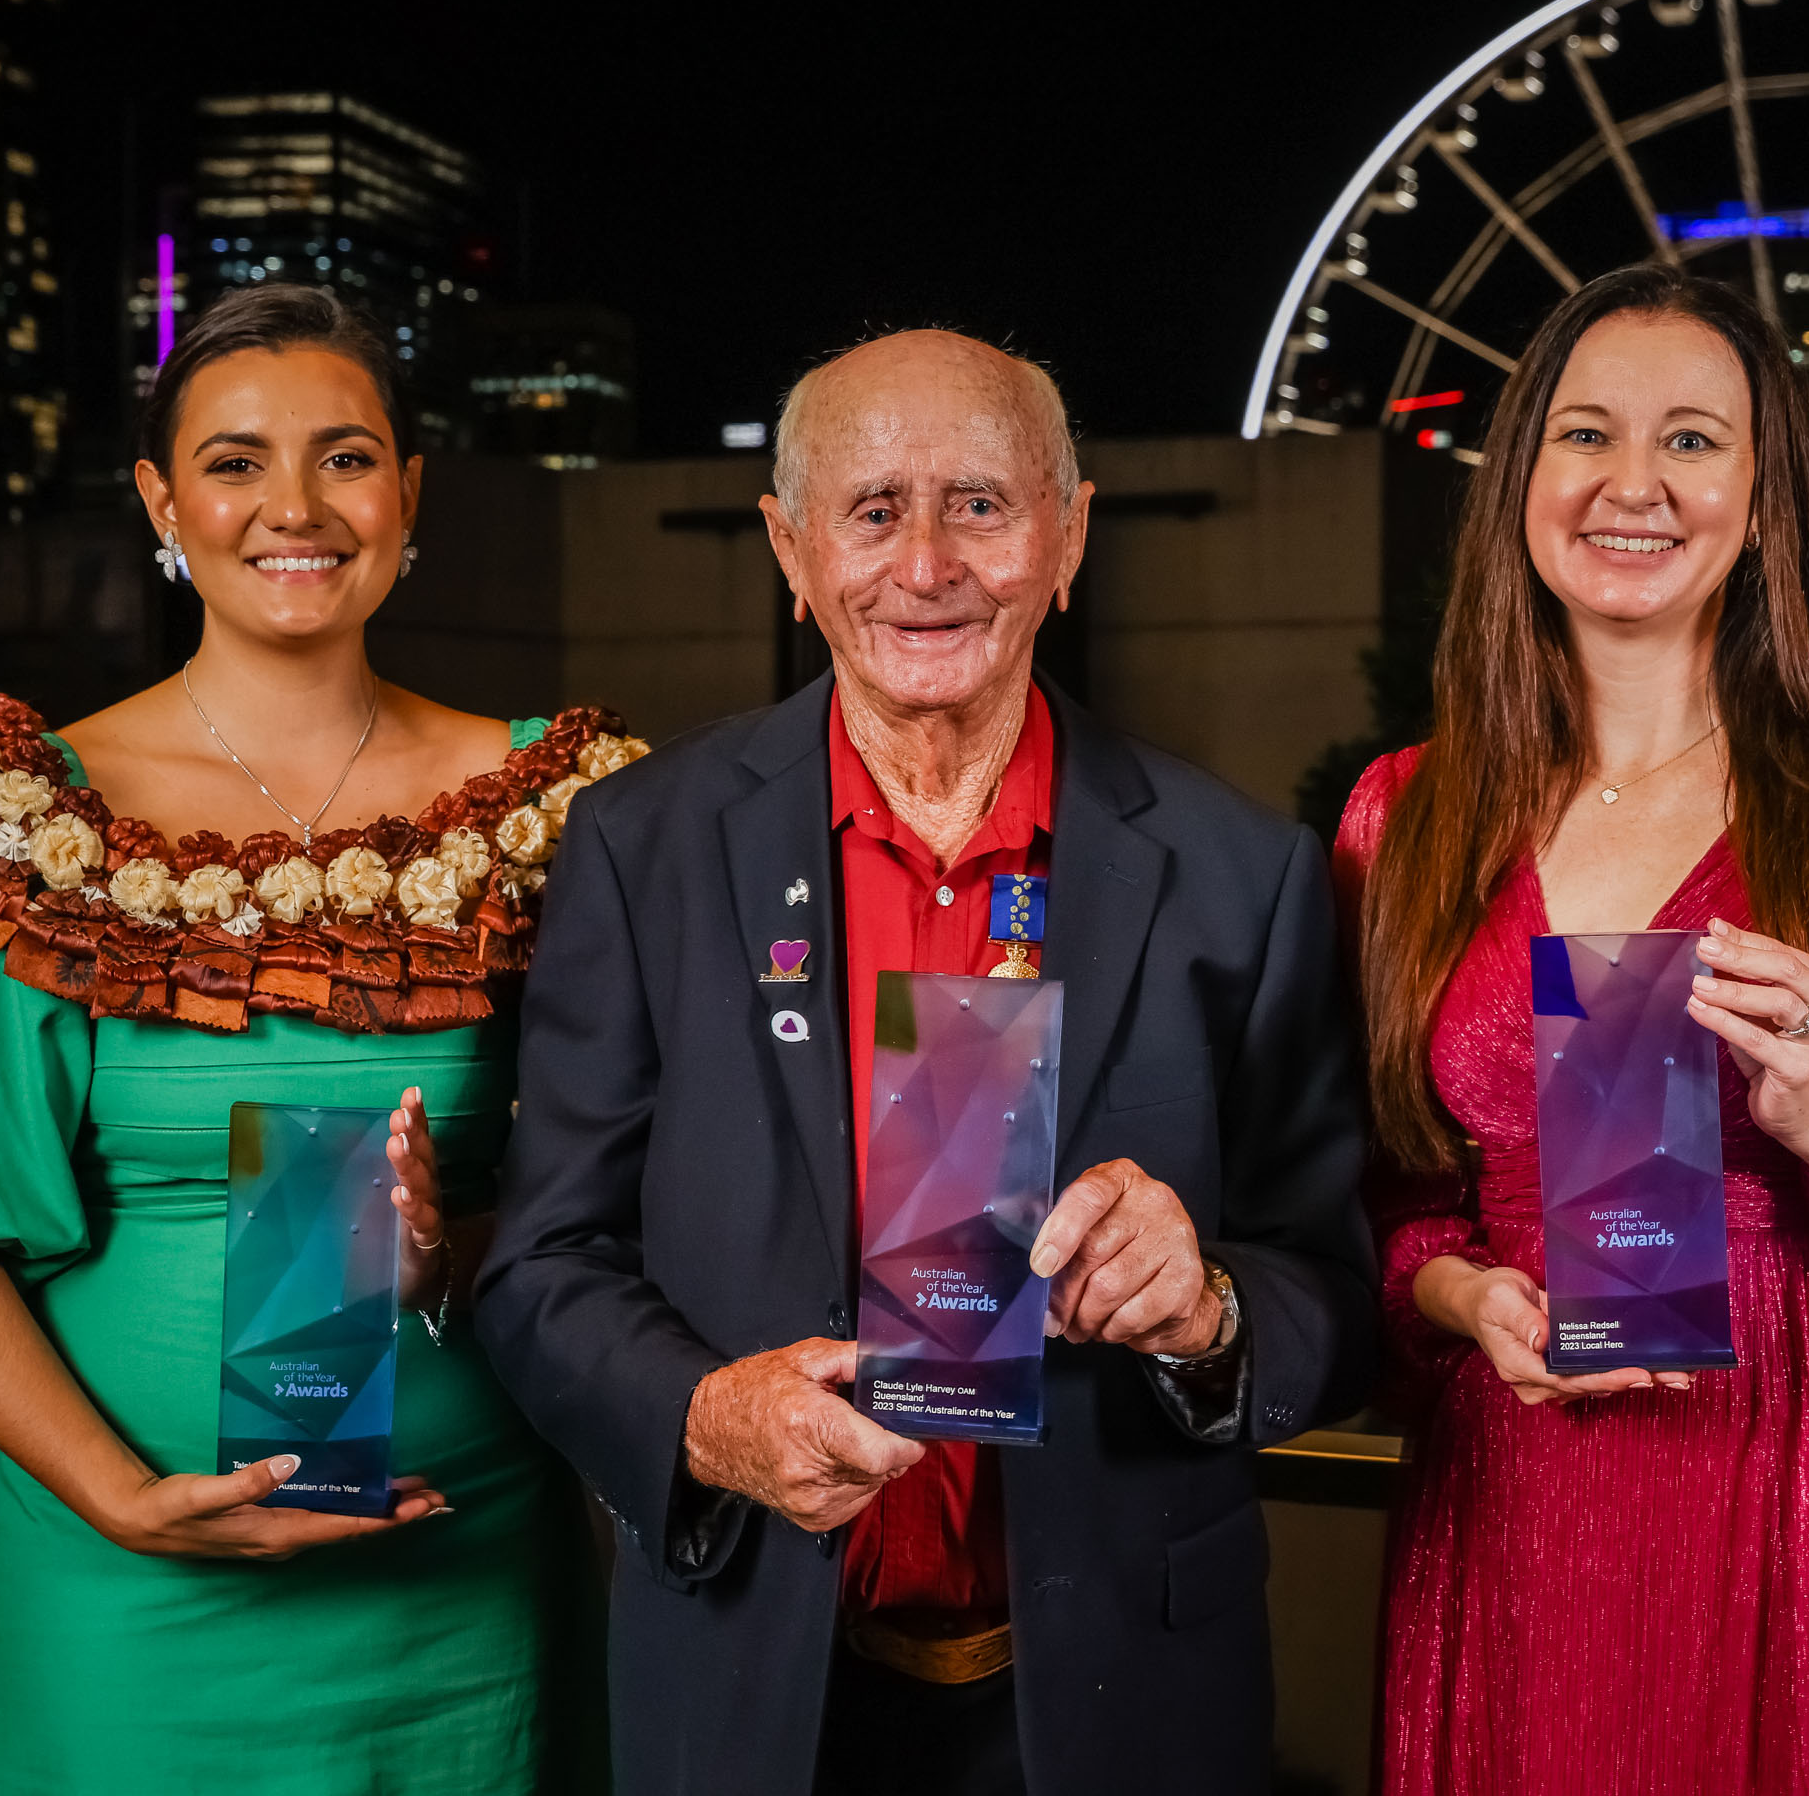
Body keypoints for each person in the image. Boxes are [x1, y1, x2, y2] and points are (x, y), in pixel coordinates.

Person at [454, 329, 1375, 1796]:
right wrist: (703, 1417)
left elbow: (1337, 1279)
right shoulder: (645, 850)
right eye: (875, 510)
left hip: (1121, 1694)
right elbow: (542, 1261)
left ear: (1068, 537)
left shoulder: (1237, 875)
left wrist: (1206, 1308)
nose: (929, 564)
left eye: (983, 505)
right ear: (793, 549)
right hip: (754, 1671)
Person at [0, 285, 630, 1795]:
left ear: (410, 492)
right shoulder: (34, 816)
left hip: (463, 1592)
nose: (293, 507)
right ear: (162, 502)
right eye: (235, 463)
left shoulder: (560, 811)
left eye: (346, 457)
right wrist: (122, 1498)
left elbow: (666, 1181)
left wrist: (472, 1240)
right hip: (125, 1596)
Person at [1338, 265, 1809, 1795]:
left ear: (1767, 504)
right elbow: (1378, 1202)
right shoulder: (1403, 818)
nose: (1634, 483)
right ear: (1522, 489)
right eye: (1585, 436)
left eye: (1694, 441)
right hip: (1518, 1502)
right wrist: (1461, 1297)